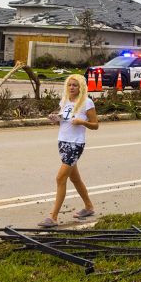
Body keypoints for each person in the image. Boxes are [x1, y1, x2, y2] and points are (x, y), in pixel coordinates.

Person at [40, 74, 98, 227]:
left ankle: (53, 217)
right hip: (63, 142)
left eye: (75, 85)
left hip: (76, 144)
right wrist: (55, 120)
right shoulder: (64, 100)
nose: (72, 88)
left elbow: (95, 125)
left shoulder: (87, 102)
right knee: (75, 178)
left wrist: (82, 122)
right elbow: (63, 121)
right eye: (69, 85)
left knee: (60, 178)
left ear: (81, 87)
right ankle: (89, 207)